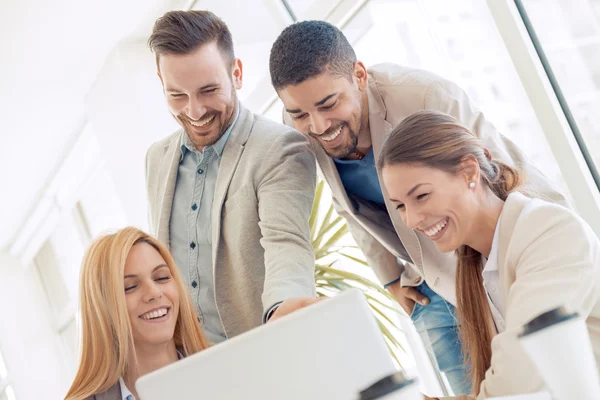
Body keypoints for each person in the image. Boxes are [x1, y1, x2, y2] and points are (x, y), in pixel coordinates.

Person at [268, 20, 568, 395]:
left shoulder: (425, 96)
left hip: (487, 262)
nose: (318, 124)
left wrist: (518, 263)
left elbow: (496, 176)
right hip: (425, 282)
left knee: (529, 376)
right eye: (298, 113)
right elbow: (349, 207)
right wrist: (392, 280)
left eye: (329, 104)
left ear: (359, 75)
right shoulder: (303, 125)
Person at [378, 110, 600, 399]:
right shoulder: (475, 266)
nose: (411, 220)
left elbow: (526, 370)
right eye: (401, 207)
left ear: (470, 173)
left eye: (421, 196)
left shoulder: (550, 232)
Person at [145, 10, 319, 345]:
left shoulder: (279, 148)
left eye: (208, 90)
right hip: (190, 362)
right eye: (177, 95)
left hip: (261, 348)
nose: (194, 111)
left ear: (236, 73)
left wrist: (284, 307)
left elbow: (286, 242)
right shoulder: (157, 159)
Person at [64, 227, 210, 400]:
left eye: (162, 277)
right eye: (130, 287)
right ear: (102, 309)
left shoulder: (224, 368)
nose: (154, 293)